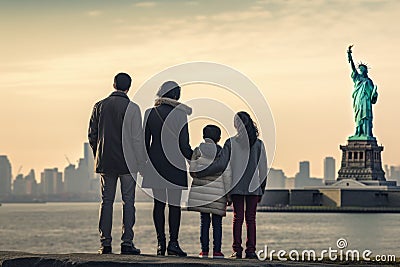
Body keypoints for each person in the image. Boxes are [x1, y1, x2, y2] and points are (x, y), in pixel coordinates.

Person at [192, 111, 267, 259]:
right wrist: (262, 189)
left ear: (236, 125)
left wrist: (201, 172)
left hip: (236, 187)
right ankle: (251, 250)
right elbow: (263, 169)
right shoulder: (258, 144)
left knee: (237, 218)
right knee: (251, 219)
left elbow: (221, 164)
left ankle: (237, 250)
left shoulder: (230, 143)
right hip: (254, 187)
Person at [88, 72, 145, 255]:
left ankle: (105, 244)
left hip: (106, 161)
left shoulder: (99, 106)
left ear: (113, 85)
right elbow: (137, 139)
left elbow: (92, 134)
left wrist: (99, 153)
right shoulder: (133, 108)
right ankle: (127, 243)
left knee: (106, 202)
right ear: (129, 87)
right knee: (128, 202)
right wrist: (140, 161)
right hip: (128, 163)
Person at [142, 81, 193, 257]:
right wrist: (196, 159)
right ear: (175, 96)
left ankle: (160, 244)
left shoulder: (149, 113)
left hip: (155, 164)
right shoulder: (180, 115)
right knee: (174, 206)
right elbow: (184, 145)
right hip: (175, 164)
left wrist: (143, 165)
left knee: (158, 205)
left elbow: (144, 144)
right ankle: (174, 243)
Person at [188, 125, 232, 259]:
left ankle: (204, 251)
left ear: (203, 136)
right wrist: (229, 195)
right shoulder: (221, 153)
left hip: (202, 193)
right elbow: (227, 174)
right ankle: (217, 251)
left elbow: (192, 171)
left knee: (204, 222)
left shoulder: (197, 151)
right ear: (218, 138)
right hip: (218, 193)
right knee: (217, 224)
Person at [347, 45, 378, 138]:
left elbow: (373, 96)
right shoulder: (357, 78)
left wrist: (375, 93)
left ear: (366, 71)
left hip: (366, 101)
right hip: (358, 100)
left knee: (366, 116)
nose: (361, 71)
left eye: (362, 70)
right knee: (358, 116)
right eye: (360, 69)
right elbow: (352, 68)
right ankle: (358, 132)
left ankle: (366, 133)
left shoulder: (369, 81)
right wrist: (349, 56)